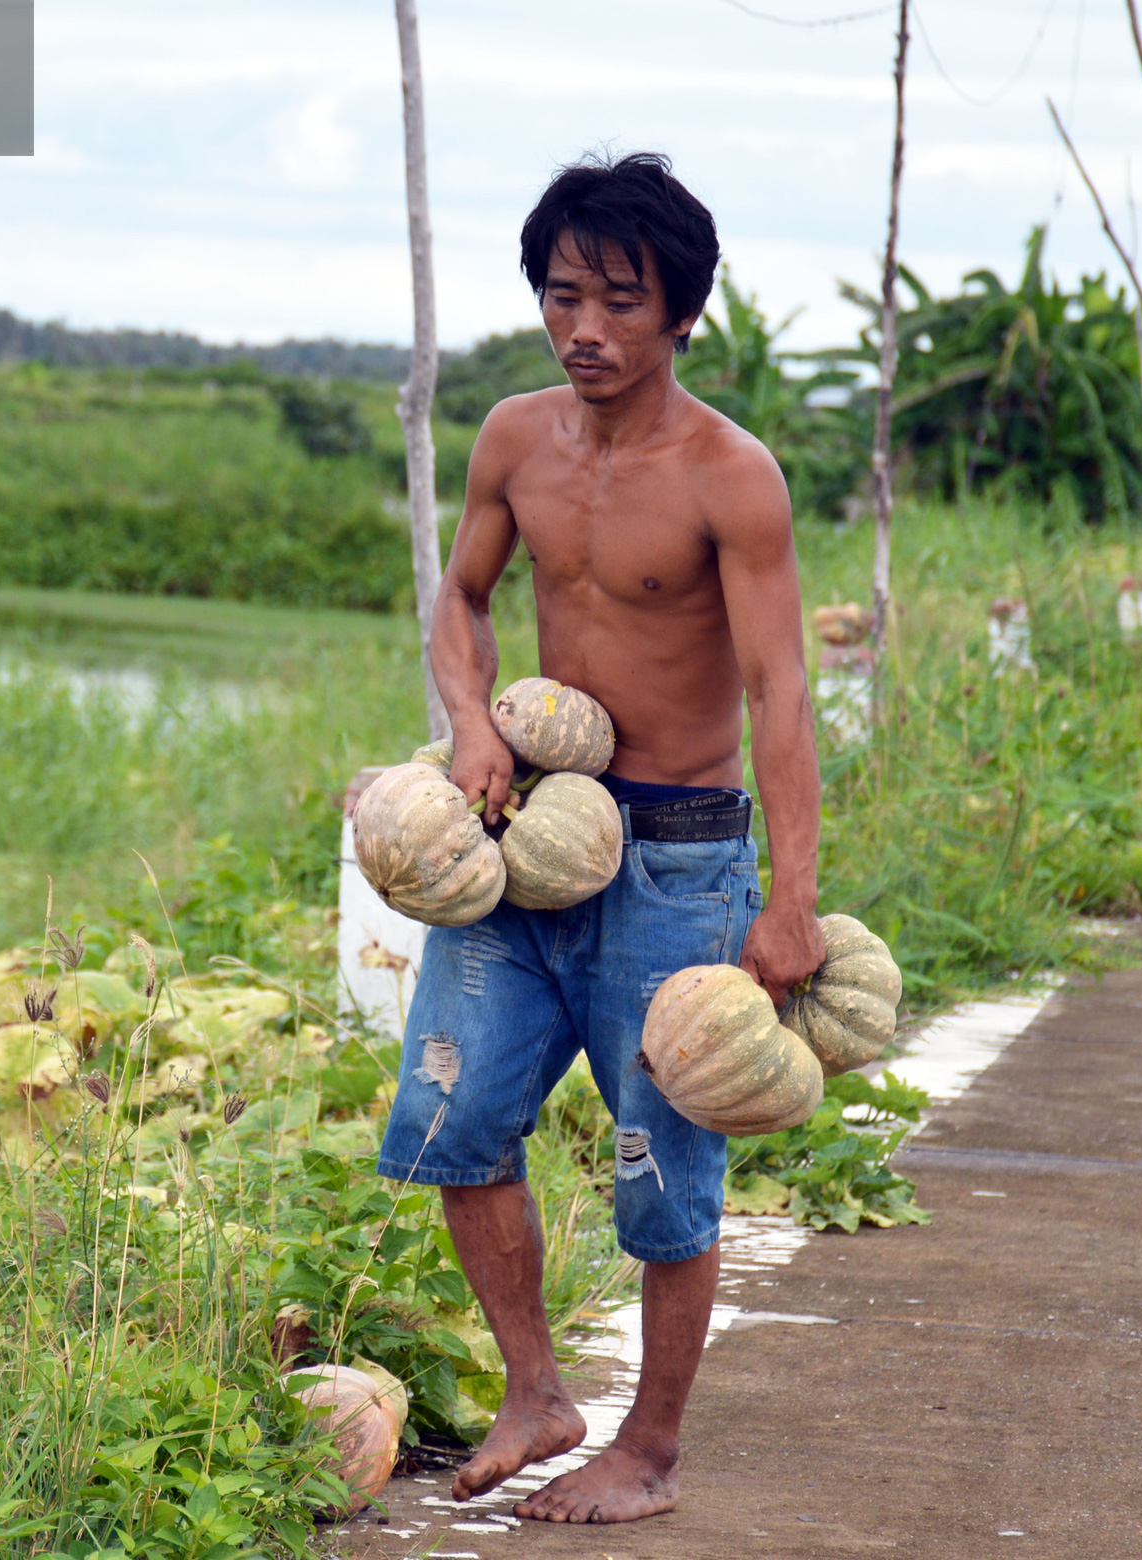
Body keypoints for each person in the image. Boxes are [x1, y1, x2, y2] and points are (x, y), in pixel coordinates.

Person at [373, 151, 824, 1525]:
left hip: (679, 855)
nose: (587, 328)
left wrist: (790, 901)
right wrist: (468, 724)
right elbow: (461, 599)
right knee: (450, 1123)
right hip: (522, 837)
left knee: (663, 1168)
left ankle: (651, 1451)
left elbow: (780, 691)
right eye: (566, 296)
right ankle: (536, 1390)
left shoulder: (731, 476)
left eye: (621, 300)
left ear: (683, 314)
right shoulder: (514, 436)